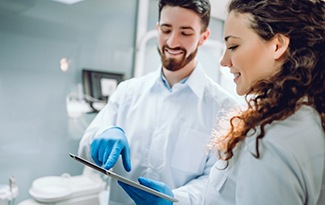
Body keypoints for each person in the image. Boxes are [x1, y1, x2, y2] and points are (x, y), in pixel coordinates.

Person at [118, 0, 325, 204]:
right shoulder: (310, 117)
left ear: (277, 46)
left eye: (233, 46)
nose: (223, 61)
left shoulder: (269, 141)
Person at [78, 0, 237, 204]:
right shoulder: (127, 92)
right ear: (157, 29)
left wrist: (174, 199)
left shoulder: (224, 108)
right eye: (166, 29)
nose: (172, 42)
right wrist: (100, 136)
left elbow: (216, 183)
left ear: (203, 37)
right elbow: (85, 147)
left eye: (185, 33)